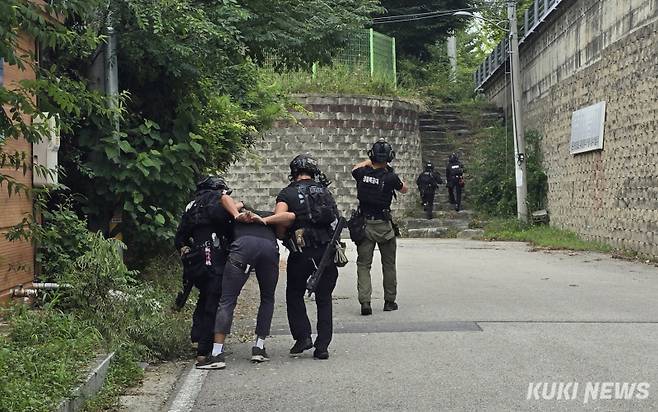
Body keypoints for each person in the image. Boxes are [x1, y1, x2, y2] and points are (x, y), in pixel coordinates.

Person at [196, 203, 295, 370]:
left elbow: (224, 200)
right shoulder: (268, 216)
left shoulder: (235, 217)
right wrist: (264, 220)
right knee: (267, 298)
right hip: (269, 249)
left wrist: (238, 210)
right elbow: (290, 218)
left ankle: (217, 354)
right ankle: (259, 347)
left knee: (227, 300)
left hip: (242, 248)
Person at [274, 154, 340, 360]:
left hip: (300, 252)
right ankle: (322, 347)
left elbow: (280, 222)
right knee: (324, 298)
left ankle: (303, 337)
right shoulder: (325, 192)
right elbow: (335, 218)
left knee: (294, 294)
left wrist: (282, 235)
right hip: (325, 252)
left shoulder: (288, 193)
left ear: (294, 172)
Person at [174, 176, 234, 366]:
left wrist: (184, 248)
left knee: (203, 297)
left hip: (194, 260)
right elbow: (228, 227)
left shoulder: (191, 206)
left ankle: (196, 336)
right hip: (213, 257)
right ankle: (204, 352)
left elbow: (180, 237)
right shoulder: (217, 202)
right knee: (213, 302)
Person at [352, 139, 408, 316]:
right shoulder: (390, 177)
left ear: (372, 155)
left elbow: (354, 168)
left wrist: (369, 162)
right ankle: (389, 301)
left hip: (365, 224)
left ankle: (365, 302)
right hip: (384, 225)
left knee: (363, 265)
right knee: (389, 264)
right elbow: (404, 189)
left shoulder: (361, 173)